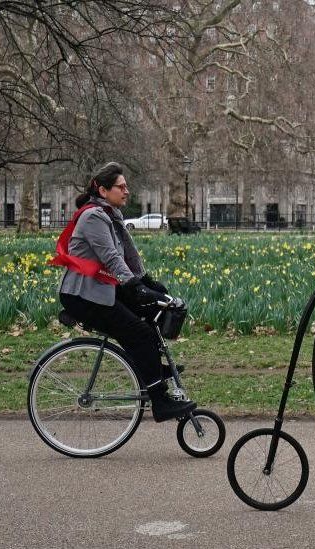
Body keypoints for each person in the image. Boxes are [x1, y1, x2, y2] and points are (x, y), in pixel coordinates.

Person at [52, 162, 196, 422]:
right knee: (138, 332)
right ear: (104, 190)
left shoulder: (109, 214)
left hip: (100, 289)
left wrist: (149, 284)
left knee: (151, 314)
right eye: (121, 187)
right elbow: (111, 258)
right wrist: (134, 287)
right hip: (82, 295)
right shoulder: (93, 216)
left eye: (126, 186)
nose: (127, 191)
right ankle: (160, 401)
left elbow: (127, 258)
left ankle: (148, 369)